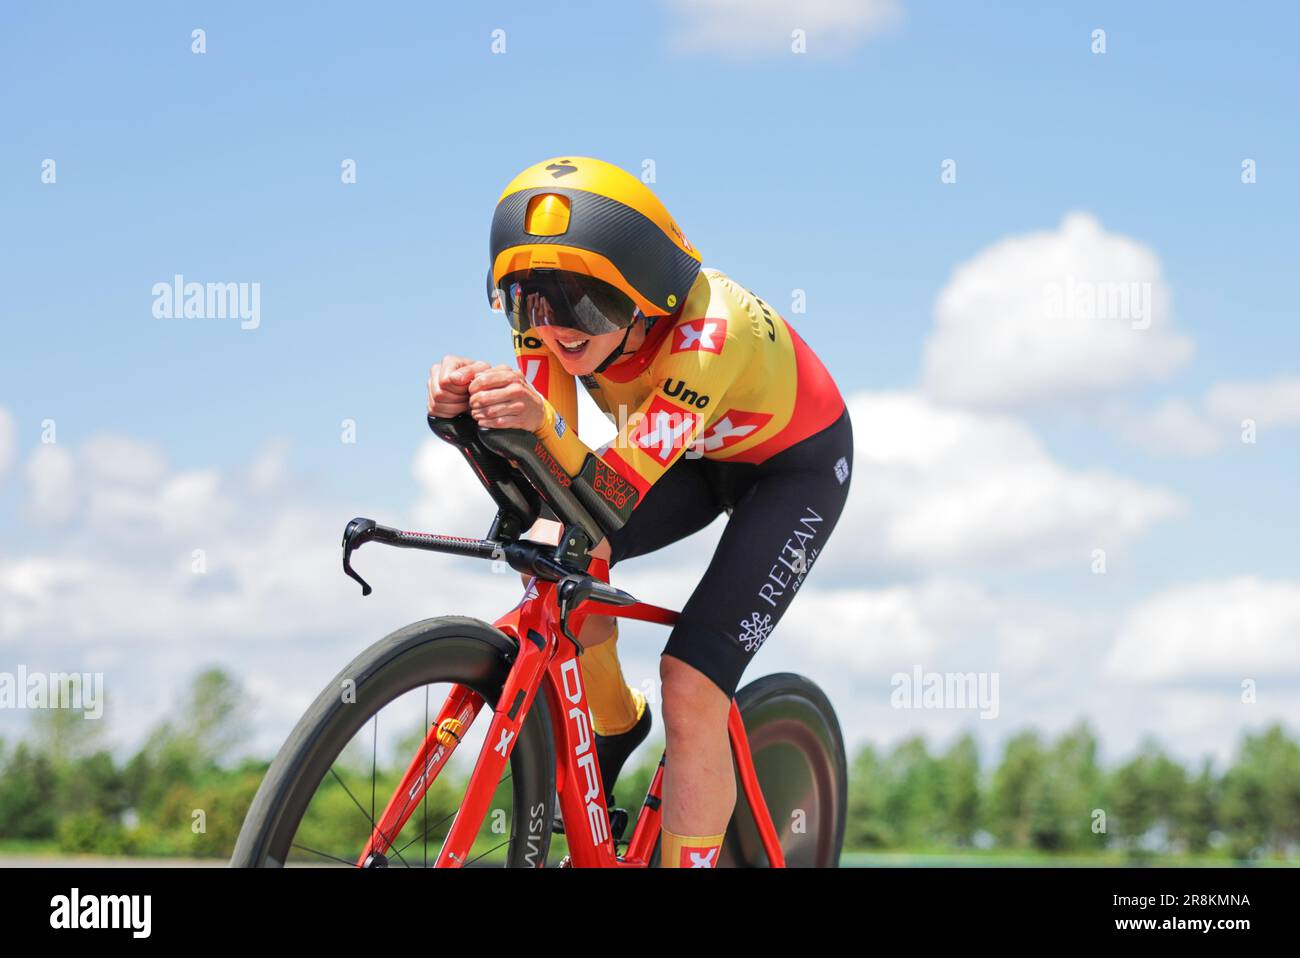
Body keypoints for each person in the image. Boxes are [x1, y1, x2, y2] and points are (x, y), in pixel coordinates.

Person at [427, 157, 852, 867]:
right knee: (563, 545)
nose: (554, 330)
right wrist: (470, 419)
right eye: (529, 301)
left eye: (581, 307)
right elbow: (549, 494)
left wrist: (537, 424)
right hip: (692, 460)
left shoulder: (713, 331)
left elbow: (609, 491)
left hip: (790, 470)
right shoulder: (546, 322)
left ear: (647, 298)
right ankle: (614, 722)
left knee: (690, 685)